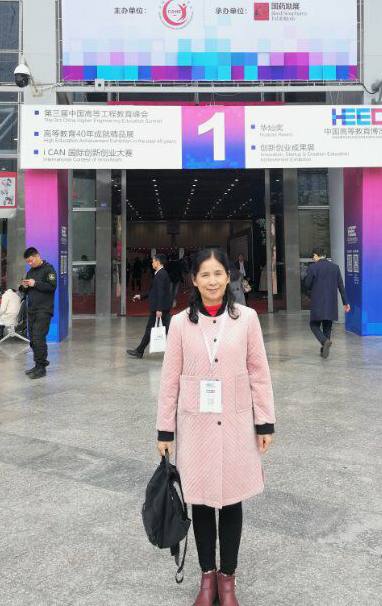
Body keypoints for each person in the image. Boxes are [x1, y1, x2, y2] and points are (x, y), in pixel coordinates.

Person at [156, 249, 275, 606]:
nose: (212, 281)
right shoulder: (180, 323)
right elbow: (170, 379)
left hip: (237, 423)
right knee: (203, 504)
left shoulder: (247, 319)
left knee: (232, 501)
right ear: (194, 280)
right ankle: (207, 578)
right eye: (205, 274)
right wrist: (165, 430)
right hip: (196, 426)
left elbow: (259, 372)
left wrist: (264, 422)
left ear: (229, 277)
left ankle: (228, 580)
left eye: (218, 273)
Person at [302, 249, 350, 359]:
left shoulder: (313, 267)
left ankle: (324, 341)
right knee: (327, 325)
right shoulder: (335, 267)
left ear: (316, 255)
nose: (313, 258)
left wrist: (306, 280)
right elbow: (341, 286)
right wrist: (345, 302)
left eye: (313, 256)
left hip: (318, 302)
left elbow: (307, 284)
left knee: (313, 325)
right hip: (331, 302)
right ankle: (324, 350)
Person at [19, 247, 57, 379]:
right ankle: (38, 364)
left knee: (38, 337)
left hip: (44, 310)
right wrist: (24, 287)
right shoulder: (30, 272)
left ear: (38, 256)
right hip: (32, 310)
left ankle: (41, 368)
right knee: (33, 339)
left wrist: (35, 284)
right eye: (27, 262)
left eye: (31, 261)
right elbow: (25, 291)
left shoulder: (49, 270)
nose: (30, 263)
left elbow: (52, 287)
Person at [127, 254, 173, 359]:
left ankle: (139, 351)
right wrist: (141, 296)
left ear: (158, 262)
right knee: (165, 330)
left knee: (152, 329)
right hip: (162, 307)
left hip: (159, 308)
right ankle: (140, 350)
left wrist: (159, 309)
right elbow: (153, 291)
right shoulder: (160, 273)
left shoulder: (161, 275)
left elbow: (161, 293)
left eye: (153, 261)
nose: (152, 263)